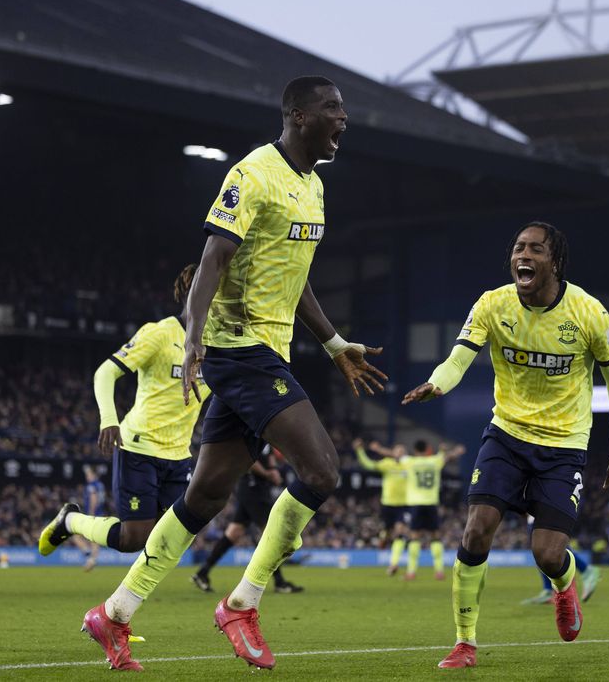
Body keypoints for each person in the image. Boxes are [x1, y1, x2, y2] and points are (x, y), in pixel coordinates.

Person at [79, 76, 387, 672]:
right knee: (322, 471)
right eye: (332, 109)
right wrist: (193, 336)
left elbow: (294, 281)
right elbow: (214, 256)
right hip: (238, 349)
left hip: (270, 351)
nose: (343, 120)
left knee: (206, 495)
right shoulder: (252, 174)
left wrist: (334, 344)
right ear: (299, 116)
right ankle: (242, 603)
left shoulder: (315, 187)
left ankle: (114, 613)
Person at [402, 221, 609, 669]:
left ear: (555, 261)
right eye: (517, 248)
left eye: (534, 249)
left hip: (564, 444)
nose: (522, 256)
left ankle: (565, 584)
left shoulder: (589, 313)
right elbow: (458, 359)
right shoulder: (493, 305)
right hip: (507, 435)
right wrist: (436, 384)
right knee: (476, 529)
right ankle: (465, 643)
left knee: (548, 553)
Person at [39, 266, 208, 561]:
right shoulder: (160, 333)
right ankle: (70, 521)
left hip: (180, 454)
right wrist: (109, 419)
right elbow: (106, 372)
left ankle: (126, 601)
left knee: (175, 537)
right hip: (139, 446)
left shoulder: (220, 347)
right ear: (192, 294)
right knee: (133, 539)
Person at [191, 444, 304, 594]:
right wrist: (268, 473)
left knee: (234, 533)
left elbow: (269, 456)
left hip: (254, 490)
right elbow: (247, 461)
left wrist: (274, 469)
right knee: (272, 534)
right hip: (252, 489)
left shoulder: (266, 437)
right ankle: (280, 582)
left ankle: (202, 573)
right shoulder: (253, 434)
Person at [388, 439, 466, 581]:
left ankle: (411, 572)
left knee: (414, 537)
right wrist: (456, 451)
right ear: (427, 449)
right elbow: (449, 457)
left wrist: (391, 450)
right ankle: (439, 571)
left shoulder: (410, 461)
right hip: (431, 503)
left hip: (415, 504)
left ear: (415, 450)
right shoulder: (434, 461)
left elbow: (397, 456)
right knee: (435, 537)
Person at [352, 438, 410, 575]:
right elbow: (368, 465)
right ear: (393, 452)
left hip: (403, 505)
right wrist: (359, 451)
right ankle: (384, 537)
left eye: (403, 451)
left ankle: (393, 564)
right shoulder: (387, 464)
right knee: (387, 533)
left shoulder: (409, 465)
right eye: (398, 450)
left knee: (400, 532)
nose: (400, 453)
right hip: (387, 505)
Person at [519, 514, 600, 605]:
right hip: (534, 513)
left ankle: (586, 570)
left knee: (552, 546)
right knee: (540, 550)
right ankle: (548, 590)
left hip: (545, 509)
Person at [75, 465, 109, 572]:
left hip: (93, 515)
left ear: (93, 475)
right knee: (94, 539)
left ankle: (88, 554)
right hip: (100, 515)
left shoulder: (91, 486)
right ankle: (92, 559)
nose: (87, 476)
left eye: (88, 474)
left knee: (76, 534)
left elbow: (93, 498)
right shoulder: (100, 485)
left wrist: (91, 512)